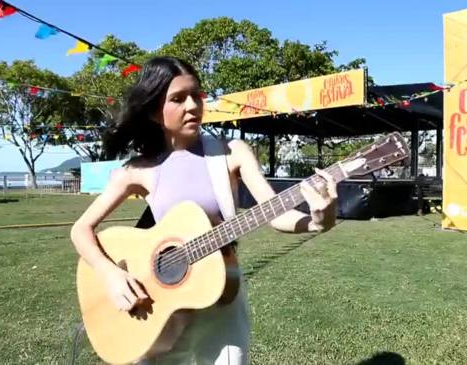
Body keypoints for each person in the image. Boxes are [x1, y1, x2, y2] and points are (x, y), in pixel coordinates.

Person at [70, 56, 338, 365]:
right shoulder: (136, 171)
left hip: (221, 301)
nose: (193, 106)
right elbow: (81, 230)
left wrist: (319, 220)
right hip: (161, 306)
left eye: (196, 95)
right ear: (155, 111)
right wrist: (112, 274)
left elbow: (274, 212)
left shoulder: (230, 153)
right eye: (178, 99)